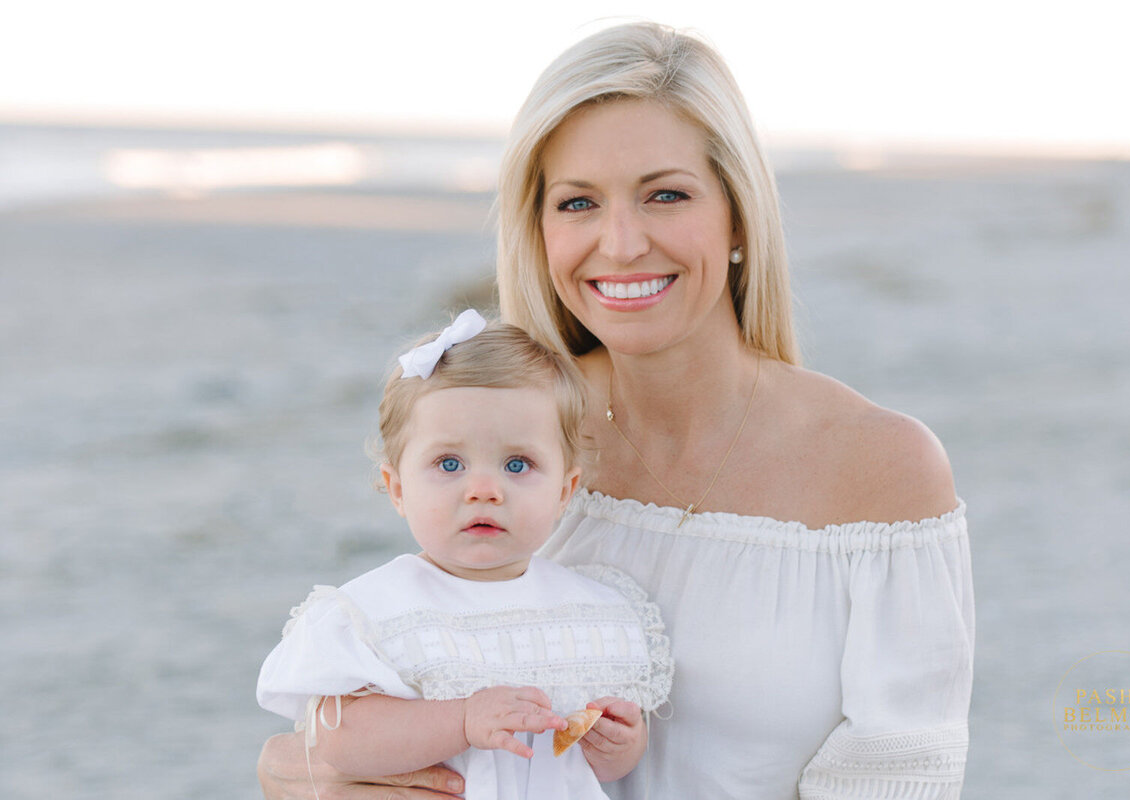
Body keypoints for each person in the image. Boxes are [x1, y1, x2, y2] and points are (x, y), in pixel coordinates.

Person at [259, 21, 974, 800]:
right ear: (538, 229)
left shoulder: (879, 468)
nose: (622, 242)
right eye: (578, 203)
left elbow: (901, 777)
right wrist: (299, 774)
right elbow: (381, 693)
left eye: (666, 195)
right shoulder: (507, 441)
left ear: (739, 216)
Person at [256, 312, 672, 800]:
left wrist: (617, 747)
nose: (484, 490)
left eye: (518, 464)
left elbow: (594, 771)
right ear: (397, 488)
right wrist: (462, 719)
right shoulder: (379, 611)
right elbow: (337, 741)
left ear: (565, 490)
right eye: (449, 464)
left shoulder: (589, 608)